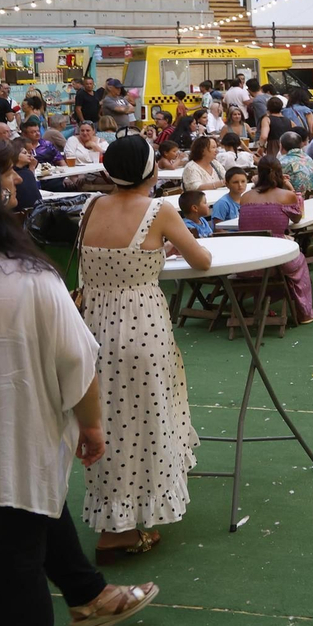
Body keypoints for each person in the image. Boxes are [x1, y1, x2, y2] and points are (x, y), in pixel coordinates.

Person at [0, 151, 161, 626]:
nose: (15, 183)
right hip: (8, 456)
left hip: (10, 456)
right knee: (15, 576)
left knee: (13, 557)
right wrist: (92, 424)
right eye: (6, 177)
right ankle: (86, 596)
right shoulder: (29, 278)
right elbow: (77, 362)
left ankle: (87, 594)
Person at [77, 136, 212, 561]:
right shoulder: (159, 211)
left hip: (94, 327)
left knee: (107, 421)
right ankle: (124, 528)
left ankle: (113, 519)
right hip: (141, 326)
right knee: (146, 423)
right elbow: (201, 260)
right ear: (152, 171)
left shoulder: (90, 207)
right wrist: (164, 247)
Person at [237, 157, 313, 324]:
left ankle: (263, 306)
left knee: (274, 268)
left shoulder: (245, 197)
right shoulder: (286, 196)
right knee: (299, 261)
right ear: (280, 173)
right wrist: (290, 187)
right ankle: (304, 312)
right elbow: (297, 217)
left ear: (258, 174)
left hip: (247, 259)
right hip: (276, 258)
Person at [277, 132, 313, 196]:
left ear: (281, 146)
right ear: (300, 145)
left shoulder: (282, 162)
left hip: (297, 200)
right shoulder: (308, 158)